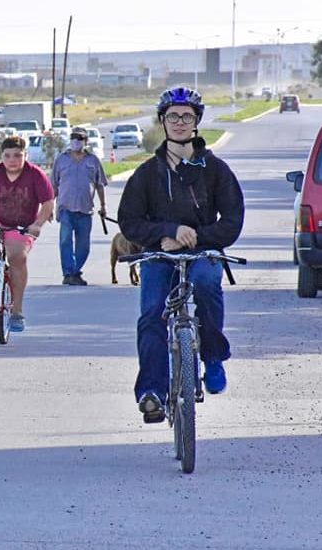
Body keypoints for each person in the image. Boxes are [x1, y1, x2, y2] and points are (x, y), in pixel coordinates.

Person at [117, 86, 245, 424]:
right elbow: (129, 221)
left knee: (206, 284)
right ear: (162, 121)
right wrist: (167, 233)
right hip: (159, 254)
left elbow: (232, 221)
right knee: (151, 314)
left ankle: (213, 358)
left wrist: (196, 237)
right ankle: (152, 392)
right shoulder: (146, 173)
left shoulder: (215, 170)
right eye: (172, 116)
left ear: (197, 122)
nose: (179, 122)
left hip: (203, 251)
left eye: (186, 116)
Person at [0, 135, 54, 332]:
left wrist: (37, 224)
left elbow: (48, 203)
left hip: (22, 227)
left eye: (17, 155)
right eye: (7, 156)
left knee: (17, 257)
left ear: (25, 155)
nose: (12, 160)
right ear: (2, 157)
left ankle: (17, 311)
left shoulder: (35, 174)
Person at [50, 126, 108, 286]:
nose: (76, 141)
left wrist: (103, 206)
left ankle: (75, 271)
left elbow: (100, 184)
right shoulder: (61, 159)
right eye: (74, 137)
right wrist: (49, 207)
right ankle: (68, 273)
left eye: (80, 138)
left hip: (85, 209)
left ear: (85, 141)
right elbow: (53, 185)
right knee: (65, 241)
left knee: (84, 245)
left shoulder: (93, 160)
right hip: (65, 208)